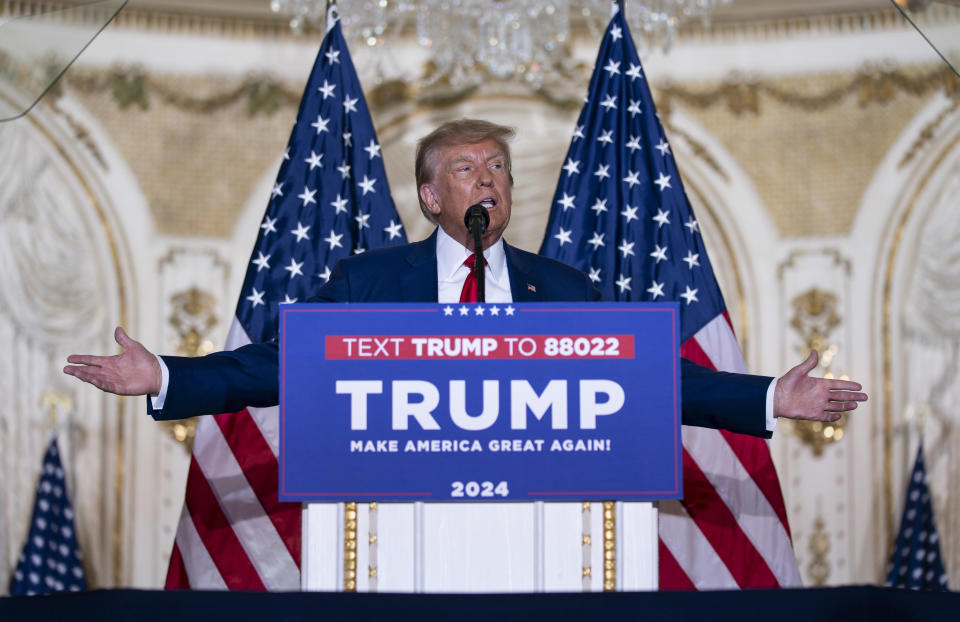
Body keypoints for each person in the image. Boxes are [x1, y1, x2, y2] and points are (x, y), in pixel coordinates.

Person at [63, 119, 867, 436]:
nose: (487, 181)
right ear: (428, 195)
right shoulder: (368, 282)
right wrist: (167, 373)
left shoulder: (569, 291)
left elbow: (651, 381)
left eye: (498, 170)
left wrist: (769, 397)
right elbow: (272, 367)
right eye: (465, 168)